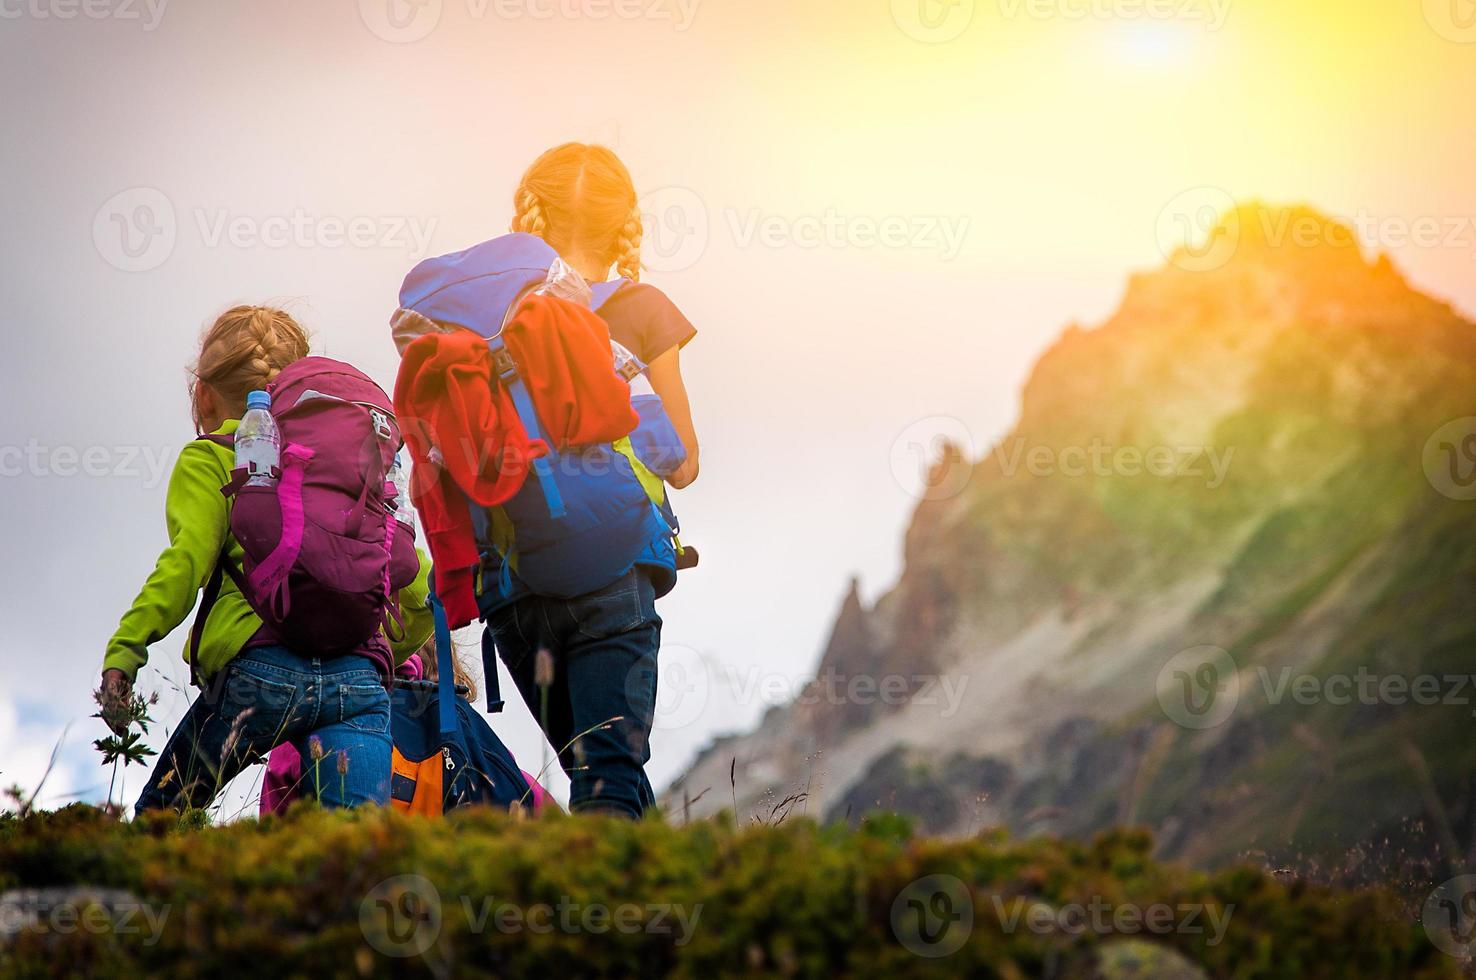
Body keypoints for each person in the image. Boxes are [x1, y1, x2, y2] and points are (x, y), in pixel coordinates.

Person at [98, 305, 432, 814]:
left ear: (204, 394)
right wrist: (381, 645)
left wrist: (126, 650)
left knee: (162, 822)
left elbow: (186, 565)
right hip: (358, 682)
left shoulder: (213, 455)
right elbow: (421, 590)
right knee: (361, 853)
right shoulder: (338, 464)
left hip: (259, 672)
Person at [484, 142, 701, 817]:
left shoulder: (491, 312)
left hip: (514, 580)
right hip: (615, 570)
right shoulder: (640, 308)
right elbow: (685, 464)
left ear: (532, 213)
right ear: (624, 220)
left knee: (598, 774)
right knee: (610, 775)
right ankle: (607, 917)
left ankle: (652, 914)